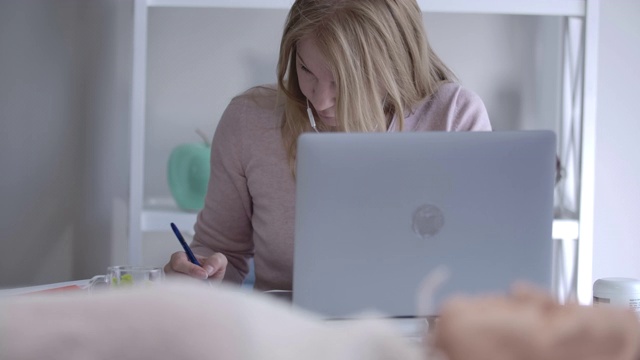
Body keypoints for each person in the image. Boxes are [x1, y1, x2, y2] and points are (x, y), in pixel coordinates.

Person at [164, 0, 492, 291]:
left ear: (395, 65)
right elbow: (222, 251)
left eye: (341, 82)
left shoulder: (454, 116)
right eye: (306, 70)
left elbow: (483, 259)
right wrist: (201, 273)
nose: (320, 100)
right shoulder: (249, 121)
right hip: (290, 336)